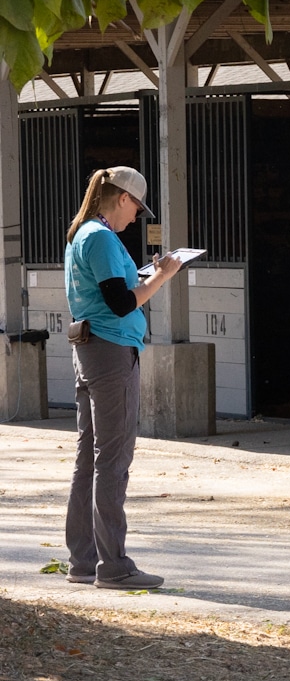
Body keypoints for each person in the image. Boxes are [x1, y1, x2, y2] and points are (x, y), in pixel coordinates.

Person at [64, 166, 182, 589]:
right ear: (122, 199)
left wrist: (147, 277)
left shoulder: (84, 234)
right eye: (137, 208)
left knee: (89, 459)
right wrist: (164, 277)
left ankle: (83, 560)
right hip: (111, 353)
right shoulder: (99, 237)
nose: (137, 218)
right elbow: (119, 303)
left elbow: (114, 291)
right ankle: (113, 565)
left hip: (91, 351)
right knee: (112, 460)